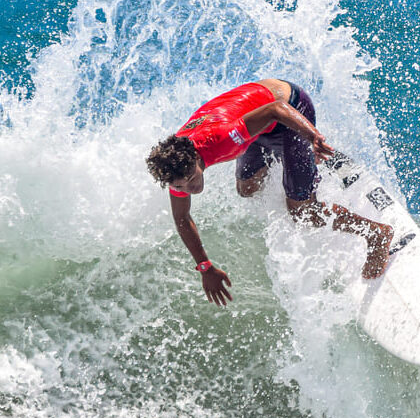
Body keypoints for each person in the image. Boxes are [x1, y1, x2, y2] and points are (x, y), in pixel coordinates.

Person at [146, 78, 393, 306]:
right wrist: (205, 266)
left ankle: (376, 234)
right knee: (247, 189)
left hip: (289, 109)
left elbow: (276, 109)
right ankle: (296, 162)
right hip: (258, 127)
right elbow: (181, 217)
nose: (189, 188)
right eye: (179, 186)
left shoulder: (222, 139)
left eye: (191, 179)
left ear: (197, 160)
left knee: (302, 212)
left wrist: (312, 137)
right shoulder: (174, 166)